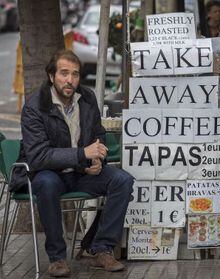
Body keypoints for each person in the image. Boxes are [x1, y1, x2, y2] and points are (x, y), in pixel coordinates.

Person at [20, 50, 134, 277]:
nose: (70, 80)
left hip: (81, 173)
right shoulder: (35, 107)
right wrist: (83, 154)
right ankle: (57, 258)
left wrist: (96, 160)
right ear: (51, 76)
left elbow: (99, 135)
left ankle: (101, 248)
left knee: (123, 180)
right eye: (64, 73)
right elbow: (39, 156)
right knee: (46, 184)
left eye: (75, 74)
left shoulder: (87, 98)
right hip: (50, 173)